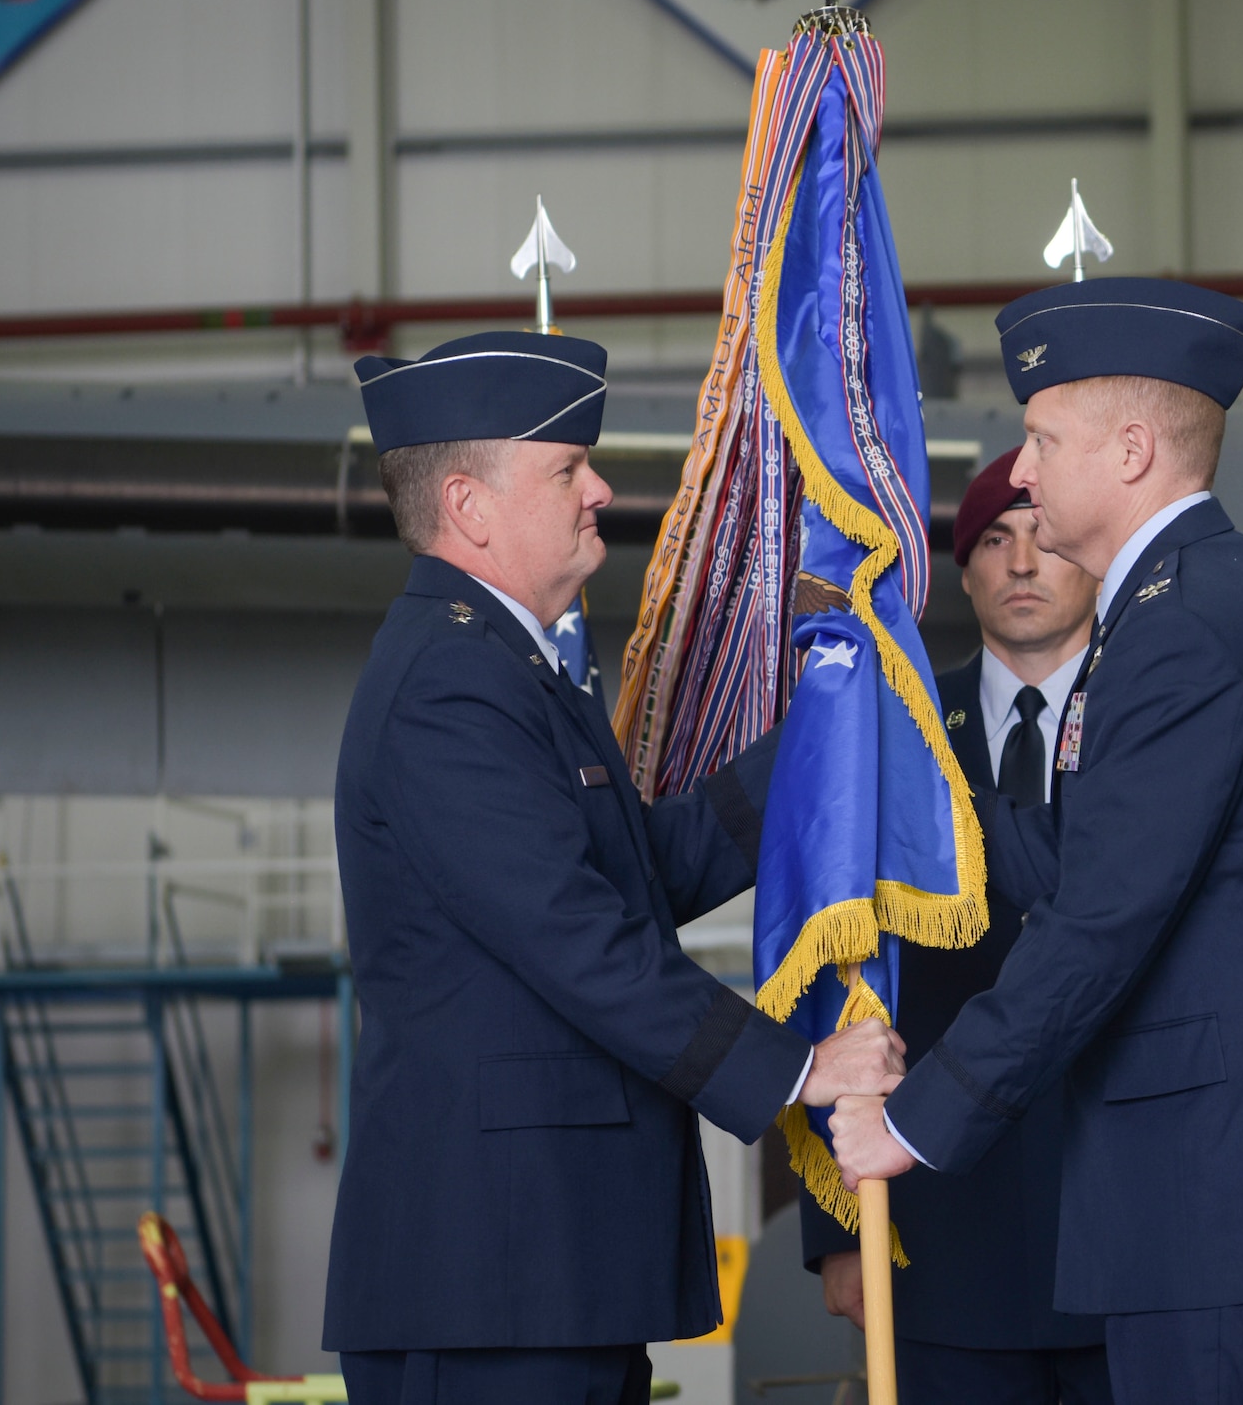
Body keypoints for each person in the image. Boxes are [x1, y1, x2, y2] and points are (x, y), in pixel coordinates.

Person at [828, 281, 1243, 1405]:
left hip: (1228, 1216)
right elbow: (1087, 859)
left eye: (1042, 437)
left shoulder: (1178, 626)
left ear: (1134, 448)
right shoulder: (1180, 604)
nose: (1025, 466)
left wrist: (916, 1116)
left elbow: (1099, 921)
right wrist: (893, 790)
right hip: (1236, 1209)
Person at [323, 331, 905, 1405]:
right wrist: (796, 1067)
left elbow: (638, 871)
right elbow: (575, 938)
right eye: (565, 467)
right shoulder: (450, 687)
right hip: (491, 1277)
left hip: (547, 1265)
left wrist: (821, 741)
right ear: (471, 505)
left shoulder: (504, 666)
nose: (598, 487)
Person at [799, 447, 1109, 1405]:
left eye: (1045, 539)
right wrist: (841, 1233)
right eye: (994, 541)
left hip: (1126, 1228)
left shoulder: (1159, 712)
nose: (1021, 564)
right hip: (942, 1232)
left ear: (1093, 559)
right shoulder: (896, 733)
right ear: (962, 569)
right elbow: (832, 962)